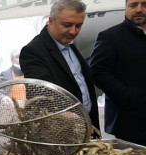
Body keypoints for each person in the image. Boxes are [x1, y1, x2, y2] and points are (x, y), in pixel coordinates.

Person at [19, 0, 100, 133]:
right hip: (62, 131)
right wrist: (67, 117)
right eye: (67, 25)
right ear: (51, 21)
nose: (73, 31)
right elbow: (40, 94)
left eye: (79, 26)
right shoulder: (33, 51)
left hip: (89, 124)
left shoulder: (70, 44)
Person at [89, 0, 146, 145]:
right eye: (133, 5)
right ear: (126, 7)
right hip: (129, 122)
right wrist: (129, 98)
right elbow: (98, 72)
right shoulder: (110, 37)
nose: (139, 9)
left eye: (145, 4)